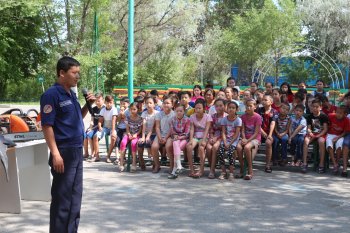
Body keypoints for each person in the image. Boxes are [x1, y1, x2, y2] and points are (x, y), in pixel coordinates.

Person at [40, 56, 95, 233]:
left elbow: (76, 115)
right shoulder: (51, 95)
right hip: (63, 152)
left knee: (75, 198)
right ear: (61, 73)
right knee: (62, 199)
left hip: (77, 151)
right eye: (74, 73)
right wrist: (55, 153)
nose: (78, 76)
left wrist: (88, 105)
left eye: (78, 73)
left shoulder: (71, 94)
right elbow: (47, 125)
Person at [237, 99, 262, 180]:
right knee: (238, 147)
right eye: (247, 106)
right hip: (245, 138)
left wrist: (247, 141)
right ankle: (241, 168)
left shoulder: (257, 117)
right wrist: (244, 138)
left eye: (250, 106)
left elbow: (256, 133)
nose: (248, 107)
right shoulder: (243, 117)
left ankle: (250, 170)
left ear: (254, 107)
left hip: (255, 138)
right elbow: (243, 130)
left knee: (247, 147)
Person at [186, 99, 212, 178]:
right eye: (196, 108)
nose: (197, 110)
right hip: (195, 136)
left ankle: (201, 169)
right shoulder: (192, 116)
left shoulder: (208, 117)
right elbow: (192, 129)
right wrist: (191, 139)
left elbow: (207, 129)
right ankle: (191, 169)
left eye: (199, 108)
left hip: (204, 136)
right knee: (189, 146)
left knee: (201, 148)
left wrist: (204, 140)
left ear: (204, 108)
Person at [302, 99, 329, 173]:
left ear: (320, 107)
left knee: (321, 141)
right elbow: (309, 128)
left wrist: (318, 136)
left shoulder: (323, 116)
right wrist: (310, 132)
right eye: (313, 106)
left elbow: (325, 129)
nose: (314, 108)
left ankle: (321, 164)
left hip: (321, 134)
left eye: (316, 107)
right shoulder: (310, 116)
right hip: (313, 134)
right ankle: (304, 163)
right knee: (306, 140)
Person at [217, 101, 242, 181]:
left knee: (230, 153)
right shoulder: (224, 119)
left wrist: (230, 143)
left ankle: (231, 172)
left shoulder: (238, 120)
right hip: (225, 140)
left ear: (236, 109)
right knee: (220, 151)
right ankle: (223, 172)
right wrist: (224, 142)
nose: (231, 109)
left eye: (233, 108)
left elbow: (236, 134)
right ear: (227, 109)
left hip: (233, 141)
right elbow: (223, 132)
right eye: (229, 108)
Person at [151, 96, 175, 173]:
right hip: (160, 134)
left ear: (172, 105)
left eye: (168, 103)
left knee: (168, 147)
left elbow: (172, 128)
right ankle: (157, 165)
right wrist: (160, 137)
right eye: (164, 103)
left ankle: (172, 166)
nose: (166, 105)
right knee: (154, 147)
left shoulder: (174, 115)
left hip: (170, 135)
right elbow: (157, 127)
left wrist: (165, 138)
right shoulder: (159, 114)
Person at [167, 105, 190, 179]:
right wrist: (175, 135)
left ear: (184, 111)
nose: (179, 113)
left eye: (181, 111)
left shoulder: (187, 120)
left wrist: (179, 137)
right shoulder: (171, 120)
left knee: (176, 148)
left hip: (184, 139)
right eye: (177, 111)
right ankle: (178, 166)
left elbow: (187, 133)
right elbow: (172, 131)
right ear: (174, 111)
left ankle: (175, 171)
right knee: (175, 143)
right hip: (176, 138)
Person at [119, 102, 143, 172]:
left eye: (134, 109)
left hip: (137, 134)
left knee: (133, 143)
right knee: (123, 142)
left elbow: (140, 129)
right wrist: (129, 134)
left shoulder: (140, 118)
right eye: (131, 109)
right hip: (129, 133)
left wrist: (136, 135)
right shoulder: (128, 118)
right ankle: (121, 162)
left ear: (138, 110)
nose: (133, 111)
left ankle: (134, 163)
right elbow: (127, 129)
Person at [326, 106, 350, 175]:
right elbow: (325, 118)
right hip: (330, 134)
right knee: (329, 145)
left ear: (345, 114)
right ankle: (335, 164)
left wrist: (338, 137)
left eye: (340, 113)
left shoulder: (347, 120)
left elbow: (345, 132)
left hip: (340, 135)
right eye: (337, 112)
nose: (338, 114)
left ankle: (337, 161)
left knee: (339, 146)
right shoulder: (331, 116)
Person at [257, 95, 277, 173]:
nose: (263, 101)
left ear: (271, 102)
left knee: (268, 143)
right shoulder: (259, 110)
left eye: (266, 100)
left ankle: (268, 165)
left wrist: (269, 135)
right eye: (263, 100)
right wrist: (263, 133)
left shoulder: (274, 111)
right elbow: (257, 124)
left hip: (270, 133)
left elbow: (273, 123)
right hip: (259, 132)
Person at [207, 99, 227, 179]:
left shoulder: (226, 117)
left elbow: (225, 131)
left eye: (221, 105)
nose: (219, 108)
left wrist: (216, 138)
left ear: (224, 106)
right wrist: (211, 137)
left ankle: (212, 170)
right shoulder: (213, 116)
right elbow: (211, 129)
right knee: (208, 148)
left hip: (223, 137)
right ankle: (213, 167)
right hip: (214, 136)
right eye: (217, 106)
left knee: (215, 147)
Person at [95, 95, 118, 163]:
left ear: (113, 102)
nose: (109, 104)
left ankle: (108, 156)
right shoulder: (103, 110)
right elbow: (100, 120)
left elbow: (114, 120)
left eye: (110, 102)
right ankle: (97, 156)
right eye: (107, 102)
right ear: (105, 102)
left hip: (112, 127)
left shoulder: (114, 109)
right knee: (96, 136)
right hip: (105, 127)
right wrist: (99, 127)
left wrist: (113, 131)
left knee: (113, 138)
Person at [138, 96, 159, 170]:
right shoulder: (144, 113)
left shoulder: (157, 113)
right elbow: (144, 125)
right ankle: (141, 161)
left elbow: (154, 126)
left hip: (154, 134)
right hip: (146, 133)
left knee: (149, 142)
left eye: (150, 103)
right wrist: (143, 136)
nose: (148, 104)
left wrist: (148, 137)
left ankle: (154, 162)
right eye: (147, 103)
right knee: (140, 143)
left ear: (154, 104)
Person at [83, 93, 104, 160]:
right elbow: (92, 120)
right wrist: (90, 127)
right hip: (94, 127)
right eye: (96, 101)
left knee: (90, 135)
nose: (97, 102)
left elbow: (103, 122)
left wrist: (92, 128)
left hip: (101, 127)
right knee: (85, 134)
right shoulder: (94, 109)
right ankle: (86, 153)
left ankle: (93, 153)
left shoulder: (104, 109)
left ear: (103, 100)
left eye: (99, 101)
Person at [114, 97, 130, 165]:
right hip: (119, 128)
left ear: (128, 104)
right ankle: (117, 157)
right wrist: (120, 115)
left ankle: (123, 157)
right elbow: (117, 120)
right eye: (121, 104)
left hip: (126, 129)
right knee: (117, 140)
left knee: (124, 141)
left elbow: (129, 121)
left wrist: (124, 115)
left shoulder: (129, 111)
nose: (122, 105)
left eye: (124, 104)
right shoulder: (118, 110)